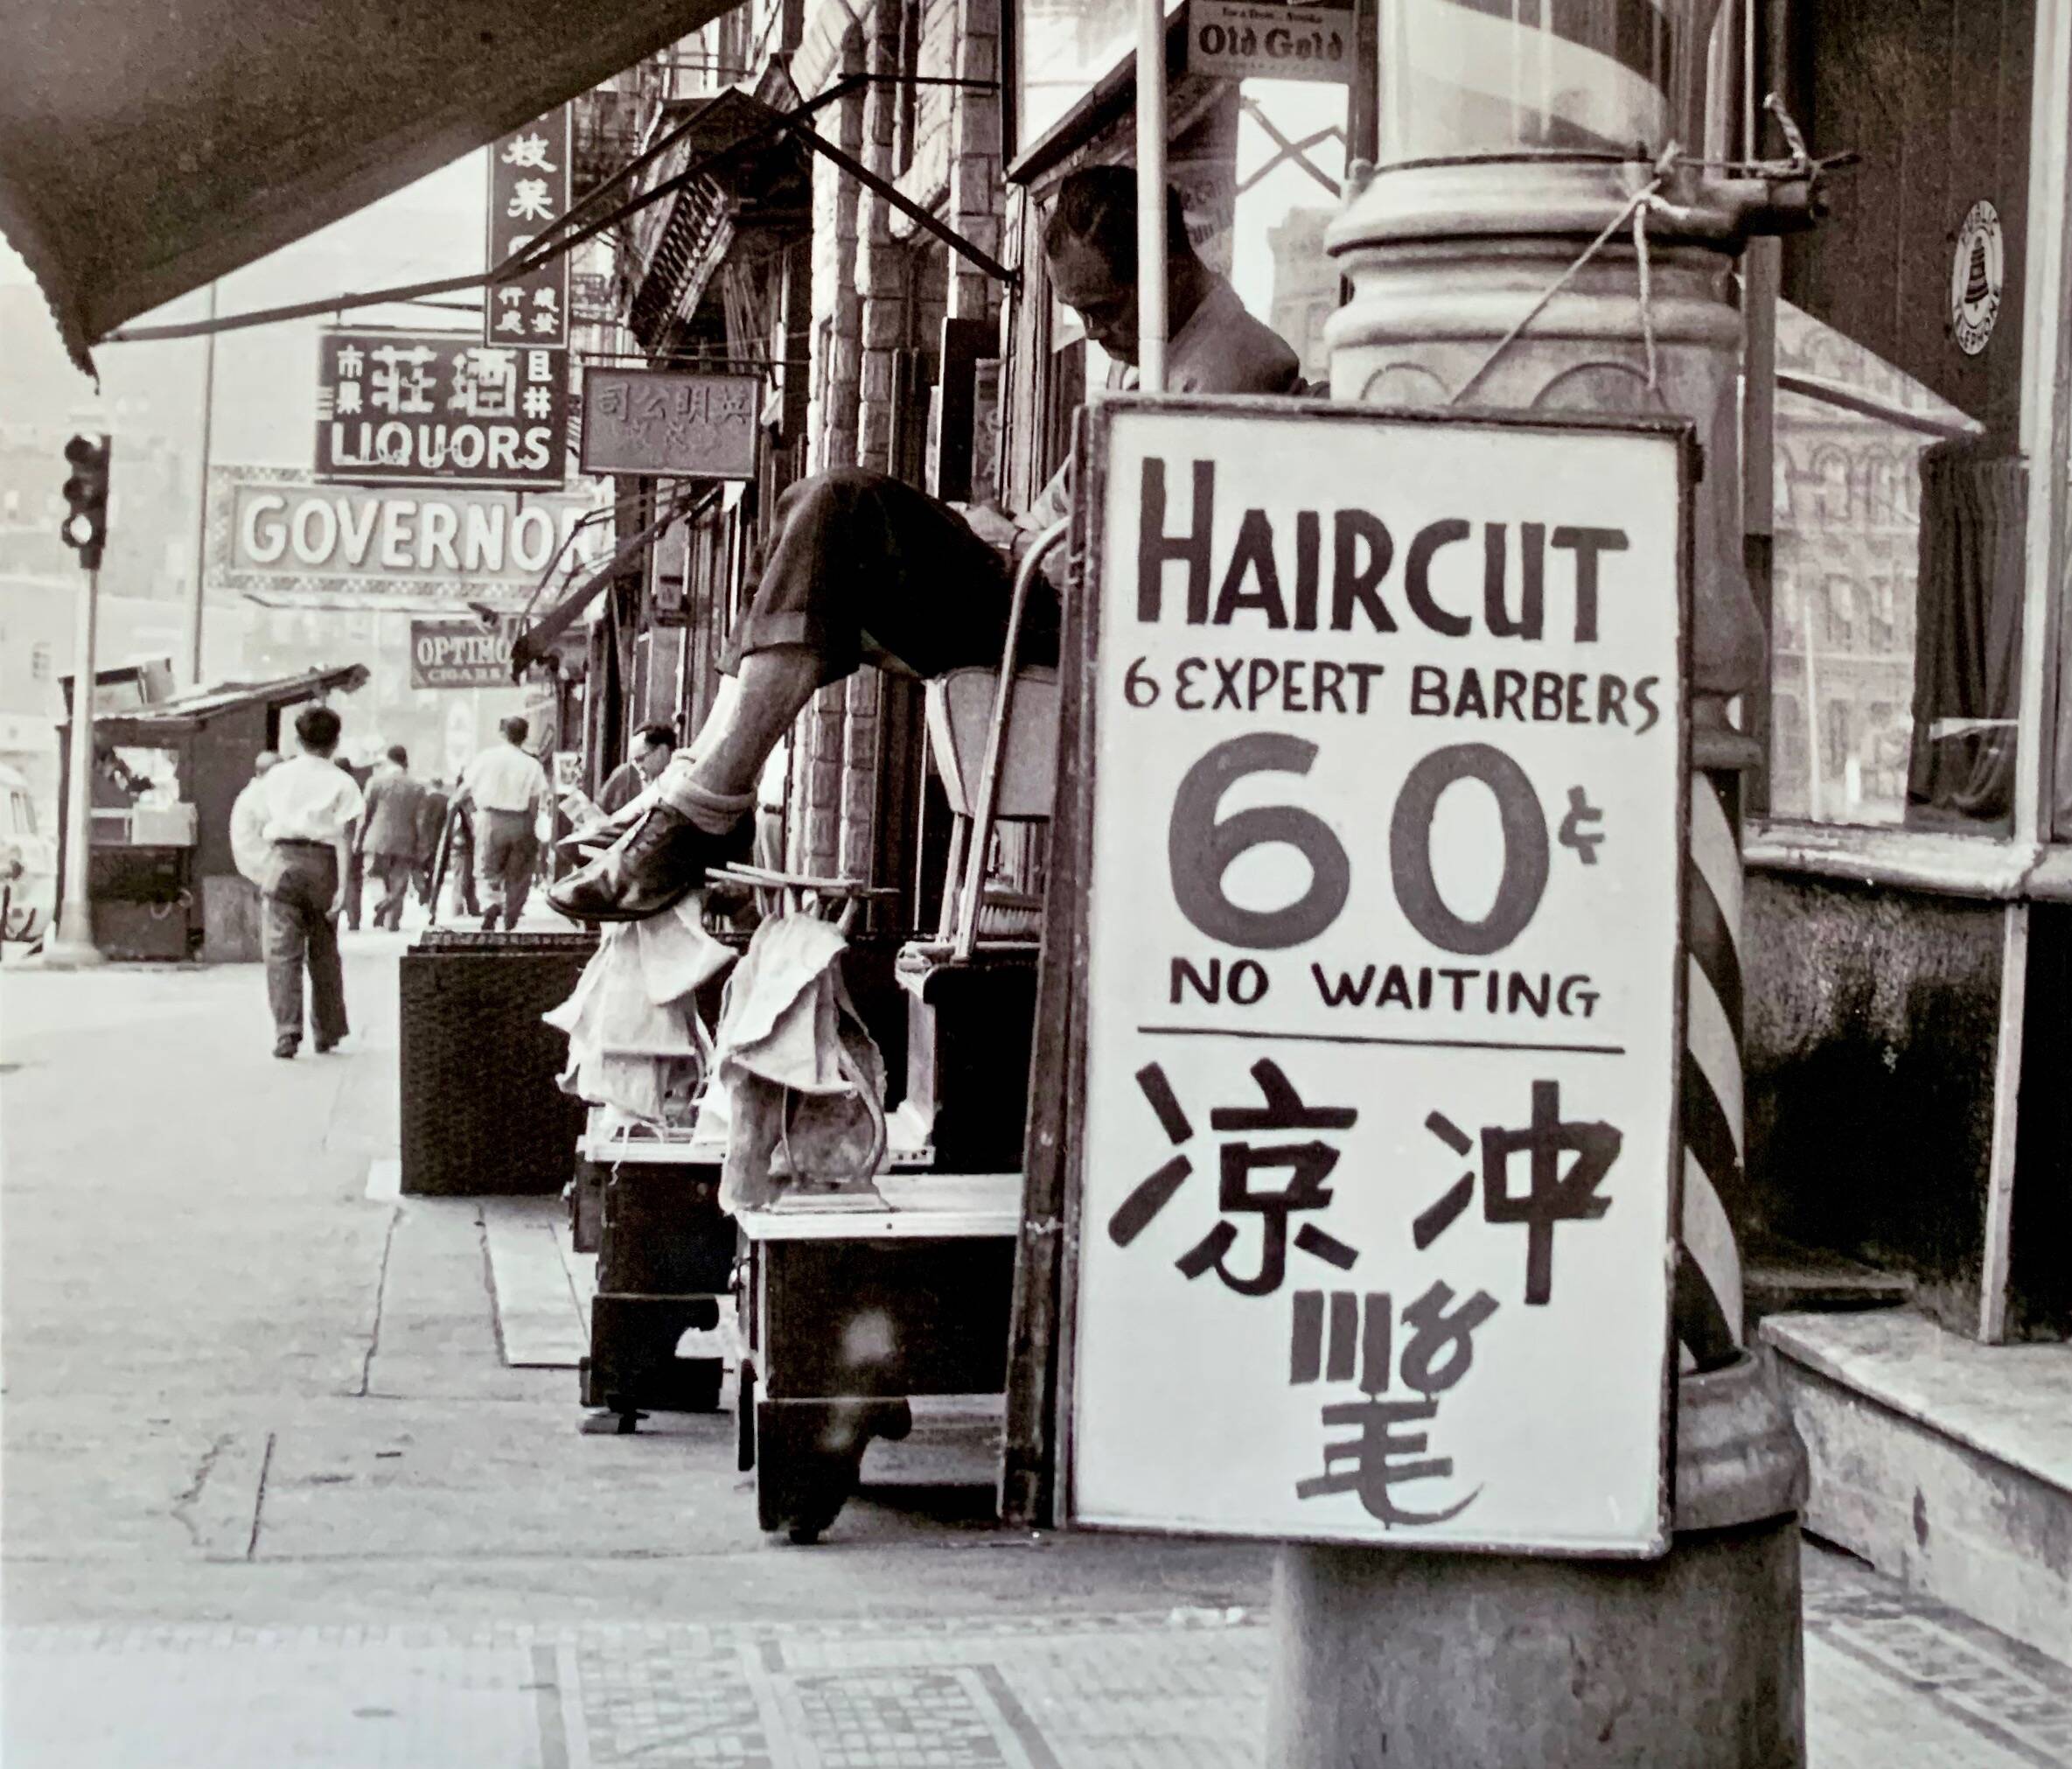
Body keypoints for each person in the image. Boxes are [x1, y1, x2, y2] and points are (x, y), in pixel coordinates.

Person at [551, 167, 1300, 923]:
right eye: (1081, 315)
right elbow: (1058, 514)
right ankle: (699, 787)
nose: (1101, 333)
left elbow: (1133, 558)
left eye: (1105, 309)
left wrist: (1011, 532)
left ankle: (701, 803)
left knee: (837, 503)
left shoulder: (1235, 368)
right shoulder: (1160, 353)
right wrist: (1013, 528)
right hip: (1042, 589)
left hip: (1082, 626)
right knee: (809, 522)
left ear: (1169, 265)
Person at [258, 706, 363, 1059]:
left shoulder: (275, 776)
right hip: (323, 865)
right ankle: (328, 1031)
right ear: (335, 742)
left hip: (282, 862)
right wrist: (344, 888)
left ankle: (287, 1030)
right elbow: (346, 839)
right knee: (324, 952)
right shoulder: (343, 782)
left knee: (281, 954)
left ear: (297, 739)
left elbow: (262, 821)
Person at [457, 716, 548, 930]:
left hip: (490, 819)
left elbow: (465, 788)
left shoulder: (486, 758)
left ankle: (490, 903)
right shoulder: (532, 765)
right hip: (521, 820)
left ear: (502, 734)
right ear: (525, 737)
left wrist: (457, 804)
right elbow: (535, 800)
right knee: (520, 872)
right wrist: (531, 827)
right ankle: (511, 916)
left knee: (486, 868)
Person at [358, 744, 427, 931]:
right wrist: (421, 846)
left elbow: (366, 814)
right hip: (406, 841)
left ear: (388, 760)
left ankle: (381, 902)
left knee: (374, 876)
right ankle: (392, 921)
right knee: (399, 882)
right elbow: (421, 821)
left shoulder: (376, 782)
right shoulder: (417, 787)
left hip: (377, 838)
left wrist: (359, 838)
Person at [596, 724, 678, 815]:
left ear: (662, 752)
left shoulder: (680, 780)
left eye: (640, 759)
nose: (637, 766)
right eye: (633, 761)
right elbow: (597, 814)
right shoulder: (624, 776)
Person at [228, 750, 281, 887]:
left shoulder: (254, 791)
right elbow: (276, 827)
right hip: (257, 860)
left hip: (255, 856)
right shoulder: (259, 794)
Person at [414, 775, 450, 906]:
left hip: (424, 840)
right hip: (441, 841)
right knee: (436, 871)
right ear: (442, 785)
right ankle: (431, 896)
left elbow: (420, 820)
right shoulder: (448, 801)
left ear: (431, 784)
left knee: (416, 867)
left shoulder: (425, 800)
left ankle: (422, 888)